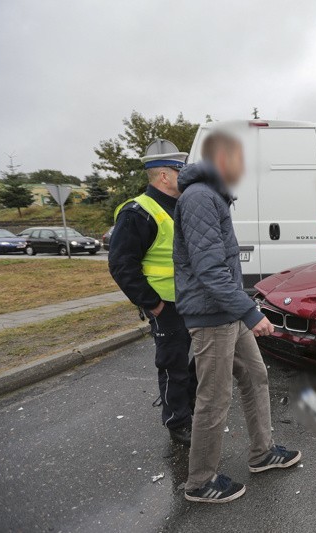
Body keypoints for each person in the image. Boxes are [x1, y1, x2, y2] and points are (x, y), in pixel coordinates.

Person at [174, 130, 301, 504]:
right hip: (212, 316)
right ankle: (199, 481)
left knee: (256, 376)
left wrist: (246, 304)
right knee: (214, 397)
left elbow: (225, 267)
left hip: (227, 311)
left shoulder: (213, 195)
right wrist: (249, 312)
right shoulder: (199, 198)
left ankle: (262, 453)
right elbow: (210, 270)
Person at [109, 139, 196, 446]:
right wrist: (153, 304)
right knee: (174, 365)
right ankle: (178, 423)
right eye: (179, 170)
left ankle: (191, 411)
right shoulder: (138, 212)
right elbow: (122, 265)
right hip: (167, 305)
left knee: (195, 363)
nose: (184, 176)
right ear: (164, 176)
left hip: (192, 301)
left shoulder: (182, 204)